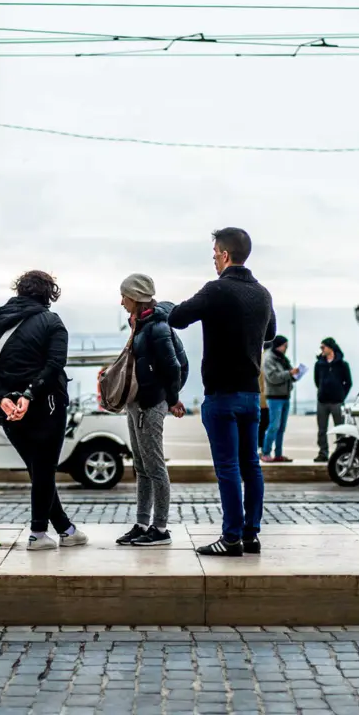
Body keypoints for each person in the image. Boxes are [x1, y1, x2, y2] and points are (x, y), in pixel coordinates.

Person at [169, 228, 275, 557]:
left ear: (225, 255)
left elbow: (177, 317)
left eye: (215, 253)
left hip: (220, 394)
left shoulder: (216, 290)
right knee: (250, 467)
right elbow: (270, 333)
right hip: (249, 395)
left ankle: (230, 538)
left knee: (227, 467)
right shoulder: (262, 293)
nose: (213, 258)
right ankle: (250, 535)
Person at [0, 270, 88, 551]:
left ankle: (65, 528)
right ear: (48, 294)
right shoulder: (52, 322)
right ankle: (38, 533)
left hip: (8, 411)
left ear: (20, 290)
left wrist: (3, 398)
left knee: (38, 470)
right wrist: (29, 396)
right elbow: (54, 365)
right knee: (44, 469)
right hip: (46, 407)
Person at [115, 273, 188, 548]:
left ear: (135, 297)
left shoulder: (157, 327)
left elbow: (173, 367)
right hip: (136, 402)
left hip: (151, 404)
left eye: (124, 296)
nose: (121, 302)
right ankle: (142, 523)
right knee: (141, 467)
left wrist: (172, 399)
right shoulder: (139, 323)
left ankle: (160, 528)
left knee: (155, 467)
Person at [313, 337, 352, 462]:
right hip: (322, 402)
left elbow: (348, 383)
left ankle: (341, 452)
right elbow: (317, 381)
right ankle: (323, 453)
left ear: (330, 348)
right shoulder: (319, 364)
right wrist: (322, 391)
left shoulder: (343, 364)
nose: (321, 350)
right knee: (321, 430)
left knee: (340, 429)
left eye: (323, 347)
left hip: (337, 402)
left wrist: (341, 395)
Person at [262, 336, 297, 462]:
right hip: (274, 397)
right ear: (278, 345)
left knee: (281, 428)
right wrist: (290, 373)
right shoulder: (269, 358)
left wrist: (295, 374)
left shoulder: (283, 358)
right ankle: (265, 453)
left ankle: (278, 454)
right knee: (274, 426)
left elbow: (288, 373)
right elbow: (273, 378)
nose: (286, 349)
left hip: (285, 396)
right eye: (285, 346)